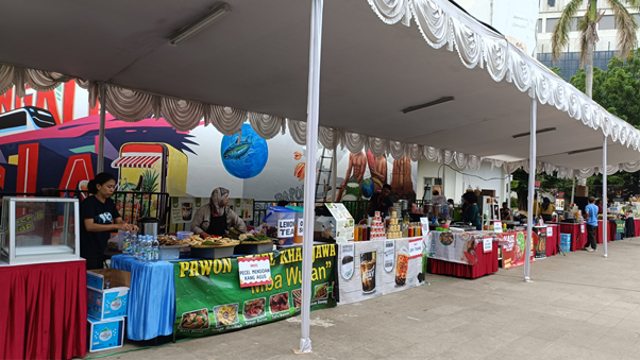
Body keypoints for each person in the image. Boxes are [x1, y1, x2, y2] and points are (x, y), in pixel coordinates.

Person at [80, 172, 138, 270]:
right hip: (88, 248)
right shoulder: (89, 203)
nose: (112, 190)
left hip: (102, 247)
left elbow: (119, 220)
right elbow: (89, 226)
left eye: (113, 187)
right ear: (98, 186)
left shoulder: (109, 202)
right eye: (109, 187)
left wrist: (129, 225)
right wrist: (115, 226)